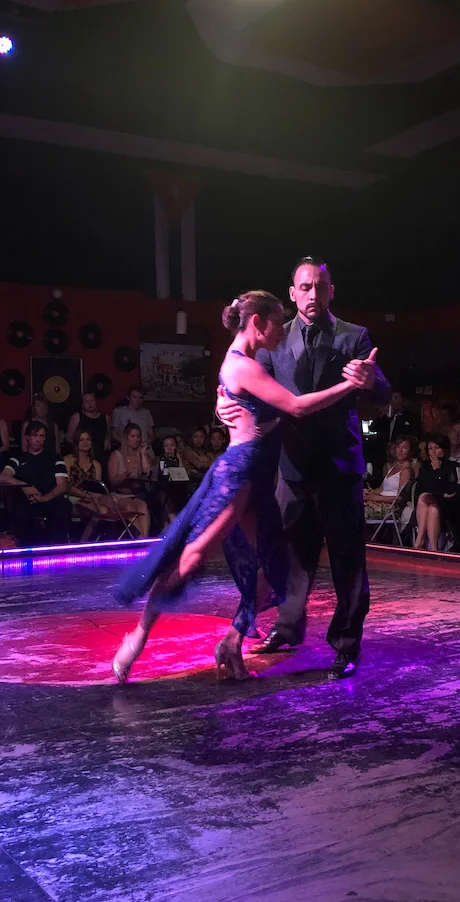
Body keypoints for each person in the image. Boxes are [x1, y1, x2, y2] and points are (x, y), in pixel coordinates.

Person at [112, 289, 379, 684]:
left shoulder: (251, 362)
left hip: (260, 480)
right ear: (258, 323)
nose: (280, 332)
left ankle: (231, 642)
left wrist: (229, 410)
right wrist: (349, 385)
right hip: (238, 476)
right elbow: (297, 407)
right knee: (193, 555)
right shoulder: (244, 365)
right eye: (276, 324)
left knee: (274, 569)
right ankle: (138, 635)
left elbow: (267, 412)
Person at [219, 257, 391, 678]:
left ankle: (346, 645)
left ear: (331, 290)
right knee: (290, 557)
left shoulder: (354, 336)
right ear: (293, 293)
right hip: (291, 466)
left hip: (338, 466)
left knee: (348, 562)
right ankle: (288, 627)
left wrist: (371, 381)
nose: (314, 294)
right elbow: (248, 381)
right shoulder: (277, 336)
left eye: (321, 286)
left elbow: (384, 393)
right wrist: (227, 402)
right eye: (305, 287)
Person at [0, 421, 71, 546]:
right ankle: (26, 549)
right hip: (26, 500)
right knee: (22, 511)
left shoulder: (55, 458)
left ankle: (58, 549)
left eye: (41, 436)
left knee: (64, 506)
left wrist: (44, 498)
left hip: (50, 498)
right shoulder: (18, 458)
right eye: (34, 436)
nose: (38, 439)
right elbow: (2, 477)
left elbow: (62, 485)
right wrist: (25, 486)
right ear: (27, 437)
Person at [413, 434, 460, 551]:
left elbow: (452, 491)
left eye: (437, 448)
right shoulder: (425, 468)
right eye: (430, 448)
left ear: (444, 449)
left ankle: (419, 541)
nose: (433, 452)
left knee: (430, 503)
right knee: (430, 506)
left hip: (449, 509)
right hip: (427, 508)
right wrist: (441, 493)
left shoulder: (454, 467)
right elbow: (421, 490)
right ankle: (434, 549)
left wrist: (438, 472)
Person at [107, 423, 153, 537]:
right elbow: (113, 481)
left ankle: (144, 538)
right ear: (126, 437)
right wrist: (126, 474)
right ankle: (138, 537)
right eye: (132, 436)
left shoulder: (143, 455)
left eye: (138, 437)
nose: (136, 439)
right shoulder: (116, 455)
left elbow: (147, 473)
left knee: (143, 506)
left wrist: (142, 454)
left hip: (137, 494)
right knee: (129, 505)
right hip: (119, 495)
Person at [64, 430, 109, 542]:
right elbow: (66, 486)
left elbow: (97, 487)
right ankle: (83, 542)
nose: (85, 442)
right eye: (81, 440)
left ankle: (84, 541)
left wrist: (92, 497)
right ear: (76, 442)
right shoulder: (68, 460)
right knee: (101, 511)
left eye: (88, 440)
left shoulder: (96, 464)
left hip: (92, 498)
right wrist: (84, 495)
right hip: (72, 498)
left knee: (105, 509)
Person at [363, 436, 414, 521]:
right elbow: (381, 489)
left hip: (391, 508)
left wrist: (376, 498)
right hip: (379, 503)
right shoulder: (393, 467)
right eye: (398, 447)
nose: (400, 450)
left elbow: (400, 498)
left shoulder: (406, 471)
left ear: (410, 452)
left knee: (357, 511)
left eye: (404, 448)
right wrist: (369, 493)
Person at [66, 392, 111, 457]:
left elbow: (108, 435)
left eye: (92, 400)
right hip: (82, 455)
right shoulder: (77, 417)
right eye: (86, 401)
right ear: (82, 404)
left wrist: (105, 446)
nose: (90, 403)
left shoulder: (106, 418)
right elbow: (69, 437)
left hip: (100, 454)